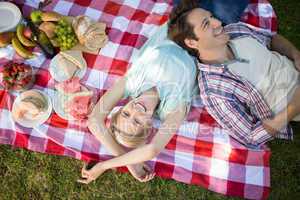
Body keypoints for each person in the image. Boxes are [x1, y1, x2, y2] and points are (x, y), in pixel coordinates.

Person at [167, 1, 300, 148]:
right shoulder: (214, 90)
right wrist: (294, 107)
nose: (218, 23)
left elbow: (272, 40)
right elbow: (250, 136)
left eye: (211, 17)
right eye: (206, 24)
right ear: (192, 43)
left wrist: (296, 54)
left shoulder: (235, 30)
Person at [77, 38, 198, 183]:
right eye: (137, 121)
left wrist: (109, 165)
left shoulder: (132, 84)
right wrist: (127, 163)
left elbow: (94, 121)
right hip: (204, 39)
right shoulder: (173, 109)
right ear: (149, 125)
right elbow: (152, 149)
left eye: (126, 113)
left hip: (177, 26)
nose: (135, 110)